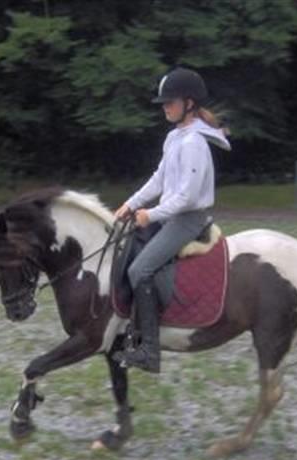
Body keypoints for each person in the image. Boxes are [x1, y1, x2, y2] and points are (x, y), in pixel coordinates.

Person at [114, 67, 231, 373]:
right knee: (128, 249)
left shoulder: (194, 143)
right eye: (164, 102)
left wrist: (150, 214)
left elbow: (187, 198)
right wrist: (130, 204)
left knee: (140, 269)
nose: (165, 106)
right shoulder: (174, 137)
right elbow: (159, 179)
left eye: (171, 102)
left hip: (188, 220)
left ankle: (149, 350)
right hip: (171, 215)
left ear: (189, 103)